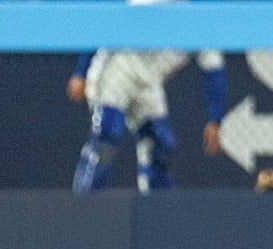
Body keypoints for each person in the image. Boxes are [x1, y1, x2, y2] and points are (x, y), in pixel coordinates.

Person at [67, 1, 225, 193]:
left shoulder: (201, 21)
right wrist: (81, 70)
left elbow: (214, 71)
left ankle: (155, 206)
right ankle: (84, 200)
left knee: (160, 143)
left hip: (148, 83)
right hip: (116, 68)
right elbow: (108, 19)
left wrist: (215, 119)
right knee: (108, 132)